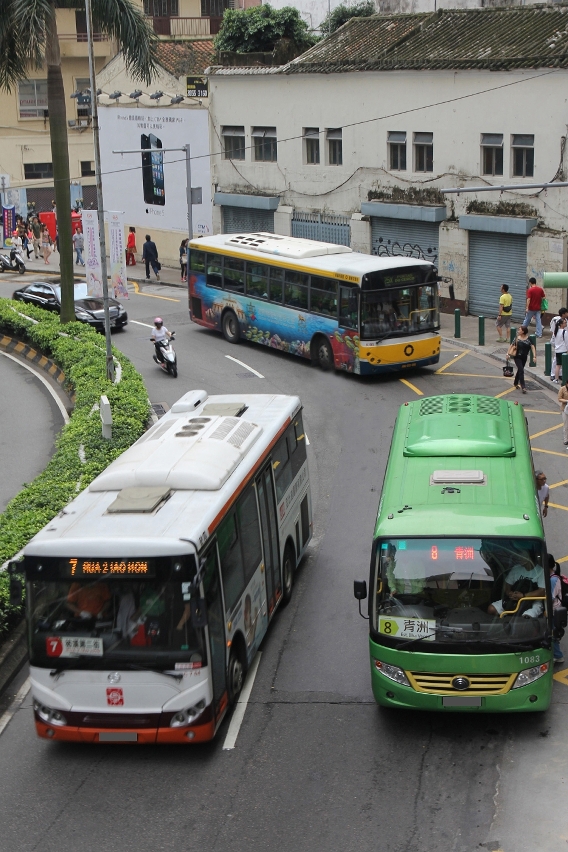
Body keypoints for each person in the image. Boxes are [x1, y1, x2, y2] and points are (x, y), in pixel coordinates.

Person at [487, 552, 545, 618]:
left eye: (522, 556)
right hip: (513, 599)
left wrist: (523, 596)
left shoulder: (541, 571)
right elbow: (507, 584)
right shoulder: (516, 568)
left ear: (530, 557)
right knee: (491, 609)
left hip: (533, 601)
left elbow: (542, 591)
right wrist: (509, 593)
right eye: (518, 556)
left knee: (526, 617)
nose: (519, 558)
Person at [548, 555, 565, 664]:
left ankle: (558, 656)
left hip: (554, 611)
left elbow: (551, 597)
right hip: (554, 610)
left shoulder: (553, 579)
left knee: (553, 633)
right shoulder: (552, 577)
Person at [511, 325, 535, 394]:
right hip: (517, 357)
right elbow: (512, 345)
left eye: (519, 330)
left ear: (523, 331)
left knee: (520, 370)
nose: (518, 331)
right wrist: (508, 354)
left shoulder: (529, 339)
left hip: (524, 357)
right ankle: (523, 386)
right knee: (521, 370)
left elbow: (533, 347)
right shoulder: (517, 338)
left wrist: (534, 356)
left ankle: (515, 382)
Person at [549, 308, 568, 378]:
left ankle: (560, 374)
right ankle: (553, 374)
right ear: (563, 314)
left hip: (562, 344)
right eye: (566, 313)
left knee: (562, 362)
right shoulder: (555, 320)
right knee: (556, 361)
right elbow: (552, 331)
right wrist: (556, 345)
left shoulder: (566, 321)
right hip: (559, 343)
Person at [558, 377, 568, 447]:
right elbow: (559, 399)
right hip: (565, 409)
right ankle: (566, 439)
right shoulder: (562, 389)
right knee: (566, 425)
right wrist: (566, 401)